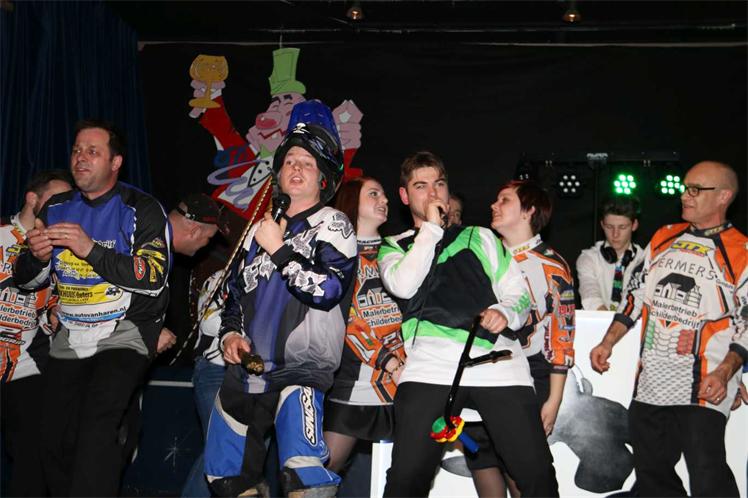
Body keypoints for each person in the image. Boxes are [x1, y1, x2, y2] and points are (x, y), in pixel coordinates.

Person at [378, 151, 558, 497]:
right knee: (406, 479)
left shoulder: (482, 236)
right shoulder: (393, 246)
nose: (433, 193)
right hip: (430, 368)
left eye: (439, 184)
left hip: (498, 365)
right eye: (421, 186)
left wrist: (505, 312)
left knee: (537, 477)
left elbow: (519, 295)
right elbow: (404, 285)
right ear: (404, 196)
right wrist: (431, 230)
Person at [13, 119, 171, 497]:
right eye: (76, 151)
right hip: (71, 333)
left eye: (92, 151)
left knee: (98, 424)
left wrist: (90, 250)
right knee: (53, 437)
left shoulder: (142, 208)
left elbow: (153, 276)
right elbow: (25, 280)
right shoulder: (56, 207)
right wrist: (36, 259)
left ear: (115, 162)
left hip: (125, 331)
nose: (80, 158)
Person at [204, 122, 357, 497]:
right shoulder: (260, 232)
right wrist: (230, 334)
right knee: (226, 478)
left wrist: (279, 249)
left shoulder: (333, 223)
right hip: (248, 371)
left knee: (305, 478)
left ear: (323, 179)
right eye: (290, 161)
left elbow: (329, 290)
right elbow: (235, 296)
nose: (296, 167)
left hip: (300, 368)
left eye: (307, 162)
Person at [590, 161, 747, 497]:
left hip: (704, 384)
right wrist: (608, 342)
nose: (685, 196)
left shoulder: (741, 251)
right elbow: (634, 296)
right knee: (652, 476)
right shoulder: (664, 236)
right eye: (684, 188)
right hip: (651, 382)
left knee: (707, 475)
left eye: (695, 189)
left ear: (724, 196)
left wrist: (726, 372)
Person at [464, 180, 575, 497]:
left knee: (521, 468)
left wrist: (554, 399)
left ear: (529, 211)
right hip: (478, 371)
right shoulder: (480, 255)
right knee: (482, 458)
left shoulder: (552, 265)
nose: (493, 205)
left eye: (504, 200)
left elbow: (562, 334)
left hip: (526, 376)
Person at [323, 177, 405, 476]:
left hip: (402, 380)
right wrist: (389, 361)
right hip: (355, 379)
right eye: (373, 194)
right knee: (324, 469)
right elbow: (346, 320)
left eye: (384, 194)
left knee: (403, 474)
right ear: (352, 202)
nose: (384, 200)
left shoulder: (397, 253)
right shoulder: (337, 255)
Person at [0, 170, 72, 497]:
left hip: (27, 364)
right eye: (56, 198)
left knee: (34, 455)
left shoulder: (64, 248)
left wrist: (58, 311)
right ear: (32, 198)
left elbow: (61, 295)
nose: (63, 205)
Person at [576, 197, 645, 311]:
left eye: (622, 227)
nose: (615, 234)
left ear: (634, 225)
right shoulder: (588, 258)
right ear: (602, 225)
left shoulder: (645, 260)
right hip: (597, 321)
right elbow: (590, 296)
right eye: (609, 227)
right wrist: (610, 321)